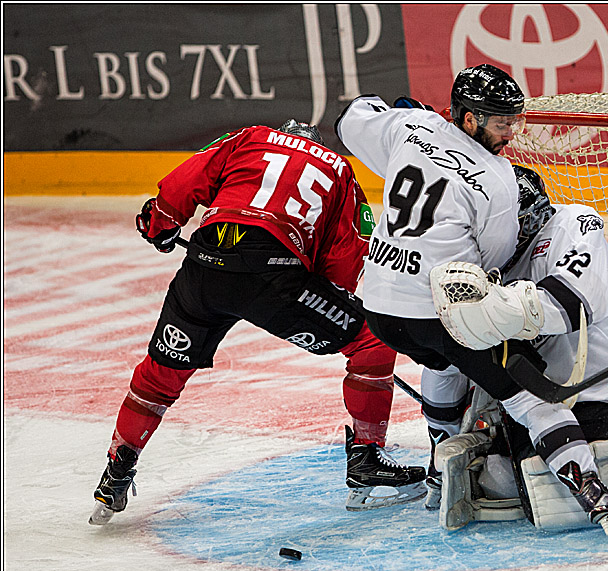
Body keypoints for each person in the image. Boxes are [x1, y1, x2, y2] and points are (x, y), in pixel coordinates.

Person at [335, 65, 608, 539]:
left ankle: (441, 467)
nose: (511, 133)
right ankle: (597, 498)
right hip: (433, 308)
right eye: (502, 123)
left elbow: (351, 119)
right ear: (472, 119)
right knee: (533, 397)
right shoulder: (497, 180)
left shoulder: (408, 130)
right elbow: (487, 268)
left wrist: (398, 114)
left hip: (379, 303)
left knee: (442, 364)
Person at [91, 119, 425, 526]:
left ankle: (116, 469)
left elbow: (186, 181)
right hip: (273, 275)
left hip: (203, 269)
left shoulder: (249, 137)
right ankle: (367, 459)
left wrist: (160, 223)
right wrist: (338, 298)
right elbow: (346, 258)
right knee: (370, 340)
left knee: (161, 375)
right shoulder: (338, 168)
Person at [438, 164, 608, 505]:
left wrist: (485, 313)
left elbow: (567, 305)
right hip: (549, 399)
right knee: (495, 485)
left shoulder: (575, 223)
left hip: (606, 394)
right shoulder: (498, 258)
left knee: (525, 494)